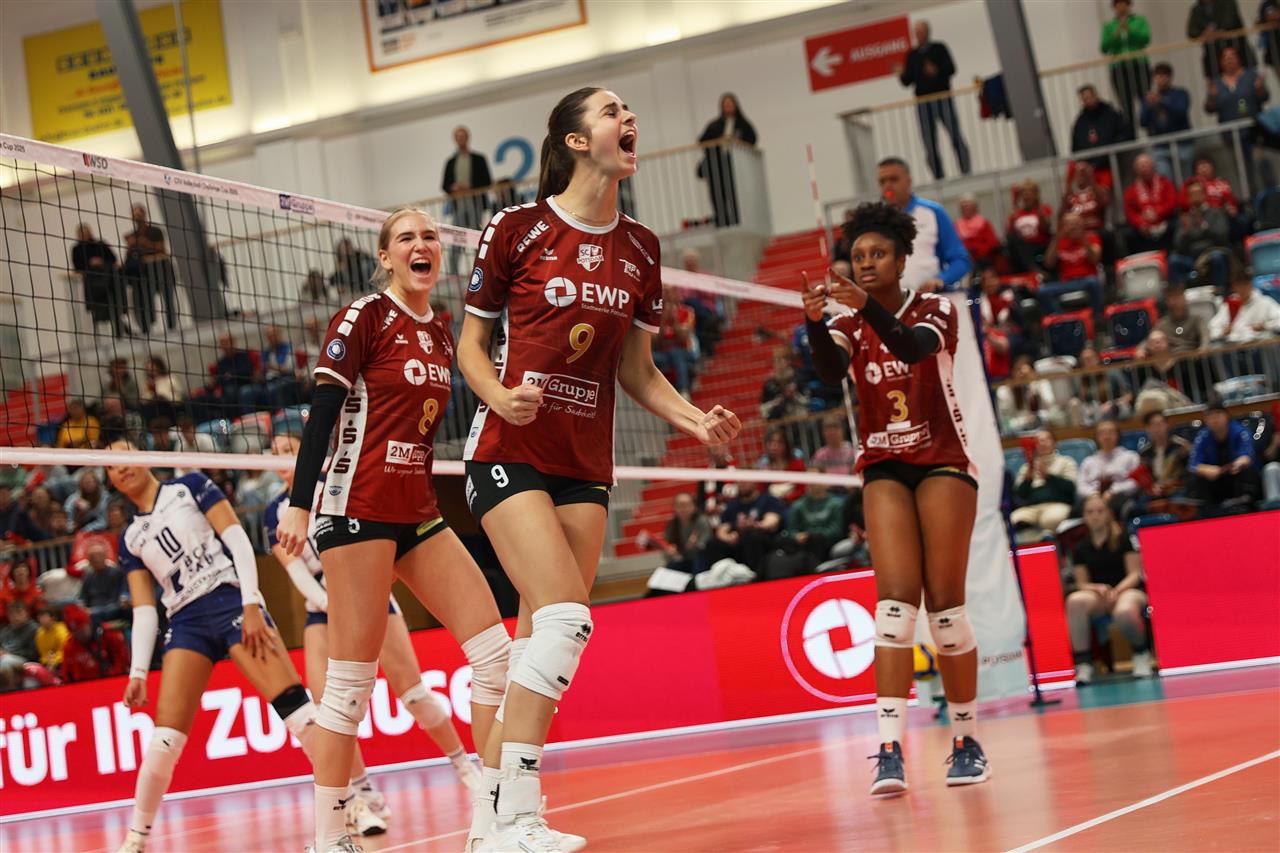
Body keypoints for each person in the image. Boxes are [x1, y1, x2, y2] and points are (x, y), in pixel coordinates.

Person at [457, 87, 741, 852]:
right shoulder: (516, 227)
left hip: (584, 460)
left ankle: (489, 821)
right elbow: (469, 347)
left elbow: (637, 370)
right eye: (613, 111)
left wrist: (694, 418)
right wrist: (500, 397)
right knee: (566, 618)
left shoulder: (641, 247)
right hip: (507, 448)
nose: (629, 118)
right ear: (578, 140)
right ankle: (521, 813)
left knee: (539, 640)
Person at [275, 208, 514, 853]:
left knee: (496, 654)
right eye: (406, 237)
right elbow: (322, 415)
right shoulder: (364, 316)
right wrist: (299, 505)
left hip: (417, 512)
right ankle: (330, 837)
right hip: (355, 508)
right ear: (385, 257)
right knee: (349, 688)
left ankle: (494, 811)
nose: (420, 244)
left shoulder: (441, 331)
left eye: (429, 235)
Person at [801, 202, 989, 794]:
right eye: (858, 256)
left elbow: (910, 347)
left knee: (945, 608)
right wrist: (814, 321)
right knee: (893, 605)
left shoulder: (937, 308)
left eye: (878, 254)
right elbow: (827, 371)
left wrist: (865, 307)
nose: (866, 263)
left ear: (903, 260)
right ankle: (889, 749)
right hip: (884, 462)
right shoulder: (849, 322)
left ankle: (966, 740)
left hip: (942, 460)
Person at [264, 434, 482, 837]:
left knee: (413, 694)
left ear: (307, 450)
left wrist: (356, 597)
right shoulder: (273, 512)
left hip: (366, 590)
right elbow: (295, 571)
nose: (279, 458)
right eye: (273, 452)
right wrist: (331, 603)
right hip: (323, 610)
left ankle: (465, 768)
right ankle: (364, 797)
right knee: (330, 710)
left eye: (288, 449)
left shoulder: (336, 485)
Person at [108, 449, 320, 853]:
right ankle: (136, 838)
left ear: (143, 457)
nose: (120, 468)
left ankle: (350, 803)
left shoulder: (189, 487)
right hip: (185, 621)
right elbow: (144, 608)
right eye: (111, 467)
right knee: (164, 741)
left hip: (229, 598)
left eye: (124, 458)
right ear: (112, 480)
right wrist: (137, 672)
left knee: (300, 714)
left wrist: (251, 601)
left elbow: (237, 539)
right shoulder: (130, 538)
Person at [1065, 494, 1152, 684]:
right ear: (1084, 516)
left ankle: (1141, 653)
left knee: (1124, 611)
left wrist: (1117, 591)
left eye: (1099, 511)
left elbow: (1135, 574)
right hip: (1100, 595)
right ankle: (1084, 663)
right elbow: (1082, 583)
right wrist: (1097, 588)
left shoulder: (1124, 538)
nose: (1095, 516)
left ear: (1109, 514)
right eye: (1090, 512)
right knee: (1074, 601)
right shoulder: (1081, 547)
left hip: (1127, 590)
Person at [876, 157, 971, 292]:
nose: (887, 186)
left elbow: (960, 260)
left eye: (893, 179)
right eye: (882, 181)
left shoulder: (933, 212)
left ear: (909, 180)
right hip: (890, 301)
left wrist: (941, 279)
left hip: (930, 298)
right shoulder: (875, 220)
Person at [893, 20, 970, 180]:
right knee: (929, 143)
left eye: (921, 31)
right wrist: (901, 74)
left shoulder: (939, 48)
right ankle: (939, 177)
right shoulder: (912, 55)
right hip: (923, 102)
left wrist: (936, 71)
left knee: (955, 135)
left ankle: (966, 172)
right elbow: (907, 81)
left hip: (942, 98)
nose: (919, 35)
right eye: (917, 32)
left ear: (928, 32)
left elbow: (951, 69)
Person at [1204, 45, 1273, 189]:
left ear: (1239, 58)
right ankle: (1252, 201)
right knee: (1243, 173)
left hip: (1255, 132)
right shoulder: (1216, 82)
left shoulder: (1250, 75)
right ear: (1221, 62)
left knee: (1261, 165)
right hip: (1231, 136)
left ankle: (1272, 198)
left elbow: (1264, 97)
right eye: (1225, 57)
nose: (1229, 60)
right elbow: (1209, 109)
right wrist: (1212, 96)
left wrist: (1260, 88)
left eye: (1232, 56)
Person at [697, 93, 758, 227]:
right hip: (717, 167)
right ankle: (722, 224)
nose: (728, 107)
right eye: (726, 105)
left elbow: (752, 139)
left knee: (735, 195)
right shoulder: (715, 125)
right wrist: (719, 142)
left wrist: (737, 143)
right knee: (718, 196)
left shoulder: (743, 124)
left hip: (735, 166)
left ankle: (737, 223)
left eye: (730, 104)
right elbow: (702, 141)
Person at [1188, 399, 1263, 506]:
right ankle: (1205, 508)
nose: (1214, 419)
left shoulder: (1241, 432)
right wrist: (1206, 469)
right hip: (1216, 479)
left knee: (1246, 470)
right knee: (1197, 478)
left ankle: (1244, 503)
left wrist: (1237, 464)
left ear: (1226, 416)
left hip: (1236, 475)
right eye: (1210, 416)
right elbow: (1193, 464)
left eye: (1218, 414)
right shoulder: (1202, 436)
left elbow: (1247, 456)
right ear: (1206, 420)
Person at [1011, 430, 1078, 537]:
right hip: (1032, 507)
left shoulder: (1066, 461)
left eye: (1046, 440)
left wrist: (1049, 476)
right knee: (1014, 519)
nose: (1042, 443)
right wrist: (1027, 480)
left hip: (1057, 504)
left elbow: (1070, 487)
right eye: (1038, 441)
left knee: (1050, 520)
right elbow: (1019, 495)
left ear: (1055, 444)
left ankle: (1049, 541)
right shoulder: (1027, 467)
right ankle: (1032, 543)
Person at [123, 204, 178, 332]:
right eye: (134, 215)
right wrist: (130, 246)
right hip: (145, 273)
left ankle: (172, 327)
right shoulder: (133, 235)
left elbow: (162, 248)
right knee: (145, 301)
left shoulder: (155, 230)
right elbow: (129, 256)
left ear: (144, 214)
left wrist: (144, 243)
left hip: (162, 270)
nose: (137, 217)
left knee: (168, 300)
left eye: (139, 214)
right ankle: (148, 328)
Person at [1101, 0, 1152, 134]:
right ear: (1114, 7)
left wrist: (1129, 30)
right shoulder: (1109, 26)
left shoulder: (1139, 21)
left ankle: (1151, 131)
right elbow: (1104, 47)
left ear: (1129, 5)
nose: (1121, 7)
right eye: (1118, 4)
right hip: (1119, 67)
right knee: (1125, 104)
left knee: (1145, 100)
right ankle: (1131, 135)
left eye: (1124, 4)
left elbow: (1145, 39)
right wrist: (1116, 34)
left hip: (1138, 64)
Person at [1169, 181, 1232, 289]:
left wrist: (1204, 227)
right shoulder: (1186, 218)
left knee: (1217, 257)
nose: (1195, 196)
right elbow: (1178, 245)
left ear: (1204, 195)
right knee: (1173, 260)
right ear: (1189, 198)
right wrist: (1186, 231)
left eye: (1198, 193)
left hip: (1211, 253)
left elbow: (1222, 236)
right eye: (1192, 194)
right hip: (1192, 258)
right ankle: (1177, 295)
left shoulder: (1216, 213)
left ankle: (1220, 291)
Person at [1041, 211, 1104, 316]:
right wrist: (1057, 239)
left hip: (1086, 280)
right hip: (1067, 283)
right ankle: (1060, 319)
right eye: (1069, 223)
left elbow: (1095, 259)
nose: (1072, 226)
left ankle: (1097, 318)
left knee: (1093, 282)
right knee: (1043, 291)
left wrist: (1083, 239)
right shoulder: (1059, 242)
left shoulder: (1092, 237)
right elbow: (1048, 263)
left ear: (1081, 224)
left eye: (1075, 223)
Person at [71, 223, 127, 337]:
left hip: (109, 284)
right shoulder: (77, 249)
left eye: (86, 233)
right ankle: (121, 331)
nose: (84, 236)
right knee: (102, 309)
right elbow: (77, 266)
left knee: (113, 306)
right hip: (93, 287)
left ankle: (121, 331)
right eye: (81, 234)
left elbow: (113, 259)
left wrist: (101, 262)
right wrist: (90, 264)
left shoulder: (100, 245)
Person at [1077, 419, 1141, 519]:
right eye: (1102, 433)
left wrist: (1113, 491)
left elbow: (1135, 482)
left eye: (1110, 432)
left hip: (1120, 496)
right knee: (1074, 512)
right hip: (1093, 497)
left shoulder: (1131, 456)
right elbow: (1081, 485)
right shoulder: (1088, 461)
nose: (1106, 436)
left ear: (1117, 435)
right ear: (1096, 437)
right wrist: (1093, 494)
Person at [1070, 85, 1132, 187]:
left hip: (1110, 164)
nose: (1087, 100)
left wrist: (1111, 150)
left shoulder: (1111, 114)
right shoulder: (1080, 122)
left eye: (1089, 97)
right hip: (1089, 170)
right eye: (1084, 99)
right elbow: (1075, 147)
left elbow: (1125, 134)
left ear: (1095, 95)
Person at [1140, 62, 1193, 181]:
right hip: (1160, 145)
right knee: (1165, 181)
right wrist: (1148, 107)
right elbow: (1142, 122)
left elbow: (1181, 112)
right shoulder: (1149, 98)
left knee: (1186, 180)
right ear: (1154, 78)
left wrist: (1162, 101)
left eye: (1165, 75)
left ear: (1170, 77)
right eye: (1158, 76)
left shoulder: (1181, 94)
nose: (1162, 79)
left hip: (1182, 142)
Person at [59, 602, 128, 683]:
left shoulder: (110, 635)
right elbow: (66, 675)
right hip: (82, 687)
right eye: (75, 632)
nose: (79, 635)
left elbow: (121, 665)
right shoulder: (69, 646)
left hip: (111, 683)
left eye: (82, 629)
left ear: (88, 623)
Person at [441, 125, 494, 231]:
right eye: (458, 137)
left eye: (463, 136)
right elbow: (445, 185)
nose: (461, 139)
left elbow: (487, 181)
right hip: (458, 203)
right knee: (458, 233)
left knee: (476, 231)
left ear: (468, 137)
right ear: (455, 139)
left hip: (475, 201)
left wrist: (471, 185)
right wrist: (453, 188)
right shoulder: (450, 162)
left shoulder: (479, 159)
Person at [1123, 153, 1177, 254]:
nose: (1144, 168)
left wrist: (1158, 213)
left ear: (1153, 166)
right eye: (1141, 165)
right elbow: (1130, 212)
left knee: (1176, 225)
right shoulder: (1131, 190)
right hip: (1143, 227)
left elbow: (1172, 202)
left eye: (1146, 164)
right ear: (1136, 169)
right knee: (1128, 234)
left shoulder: (1165, 183)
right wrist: (1141, 223)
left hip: (1165, 221)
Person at [1187, 0, 1256, 80]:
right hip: (1213, 58)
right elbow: (1191, 32)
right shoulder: (1197, 9)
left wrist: (1216, 32)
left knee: (1247, 81)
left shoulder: (1227, 2)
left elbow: (1230, 22)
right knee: (1218, 84)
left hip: (1236, 49)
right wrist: (1204, 33)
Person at [784, 474, 846, 563]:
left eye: (816, 478)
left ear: (825, 482)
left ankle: (816, 567)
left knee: (816, 539)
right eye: (810, 478)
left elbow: (837, 530)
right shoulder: (798, 505)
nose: (812, 482)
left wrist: (811, 535)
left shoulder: (836, 503)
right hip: (803, 541)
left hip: (826, 541)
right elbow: (791, 529)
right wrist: (796, 536)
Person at [651, 284, 698, 395]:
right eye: (664, 291)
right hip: (663, 355)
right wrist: (663, 320)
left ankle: (683, 390)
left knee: (676, 353)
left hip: (685, 353)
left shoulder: (688, 312)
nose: (666, 294)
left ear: (676, 293)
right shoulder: (655, 314)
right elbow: (656, 342)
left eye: (669, 291)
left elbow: (683, 338)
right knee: (648, 357)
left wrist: (674, 320)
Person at [1210, 271, 1280, 342]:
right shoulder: (1227, 306)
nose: (1242, 289)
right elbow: (1212, 330)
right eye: (1239, 286)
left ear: (1251, 285)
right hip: (1235, 345)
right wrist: (1223, 332)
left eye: (1245, 284)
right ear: (1233, 287)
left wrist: (1265, 326)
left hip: (1262, 344)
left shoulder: (1265, 302)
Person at [1137, 410, 1191, 498]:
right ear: (1147, 429)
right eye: (1153, 425)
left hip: (1178, 491)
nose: (1157, 429)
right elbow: (1145, 479)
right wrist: (1152, 487)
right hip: (1155, 493)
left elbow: (1189, 474)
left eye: (1160, 424)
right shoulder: (1144, 453)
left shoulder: (1181, 446)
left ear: (1166, 425)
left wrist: (1172, 484)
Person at [77, 541, 129, 624]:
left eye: (98, 555)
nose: (95, 558)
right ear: (88, 560)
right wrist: (80, 606)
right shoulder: (88, 577)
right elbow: (82, 598)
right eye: (92, 556)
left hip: (112, 607)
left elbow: (122, 595)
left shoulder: (117, 573)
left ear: (105, 556)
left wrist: (124, 598)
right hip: (92, 608)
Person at [1154, 283, 1211, 352]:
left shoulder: (1196, 319)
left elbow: (1205, 337)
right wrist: (1143, 350)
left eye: (1178, 297)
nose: (1175, 302)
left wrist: (1204, 348)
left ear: (1184, 298)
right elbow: (1149, 340)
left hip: (1194, 356)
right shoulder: (1162, 324)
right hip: (1172, 357)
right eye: (1171, 298)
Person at [955, 195, 1001, 269]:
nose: (967, 208)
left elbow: (992, 242)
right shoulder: (956, 225)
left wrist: (978, 252)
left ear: (975, 207)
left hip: (983, 258)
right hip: (964, 258)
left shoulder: (984, 223)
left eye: (969, 206)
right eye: (964, 206)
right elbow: (955, 244)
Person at [0, 602, 38, 686]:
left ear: (27, 613)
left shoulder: (34, 629)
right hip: (6, 657)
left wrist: (9, 653)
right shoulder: (6, 630)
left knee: (5, 660)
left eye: (19, 613)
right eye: (12, 614)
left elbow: (33, 654)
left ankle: (9, 689)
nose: (16, 616)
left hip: (26, 660)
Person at [812, 413, 857, 479]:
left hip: (849, 484)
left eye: (836, 428)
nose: (832, 432)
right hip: (828, 485)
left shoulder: (852, 452)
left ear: (842, 430)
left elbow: (856, 474)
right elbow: (813, 476)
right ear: (823, 432)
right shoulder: (820, 455)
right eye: (828, 429)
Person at [34, 605, 69, 672]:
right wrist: (48, 662)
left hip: (61, 662)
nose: (40, 619)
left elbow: (64, 651)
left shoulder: (62, 630)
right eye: (39, 616)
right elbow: (43, 653)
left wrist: (54, 661)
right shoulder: (40, 633)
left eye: (44, 616)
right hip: (46, 662)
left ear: (53, 618)